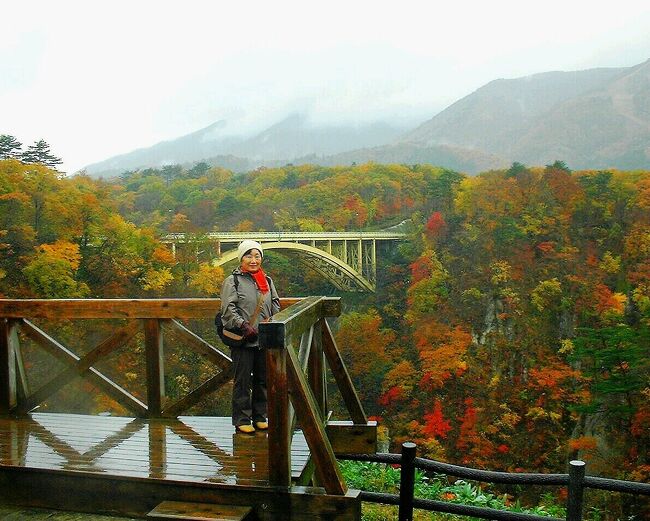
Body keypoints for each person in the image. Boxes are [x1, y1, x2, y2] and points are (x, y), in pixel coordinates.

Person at [220, 239, 280, 434]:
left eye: (257, 256)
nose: (253, 260)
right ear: (241, 258)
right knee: (243, 381)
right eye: (249, 255)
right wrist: (243, 325)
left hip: (263, 338)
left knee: (263, 379)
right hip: (243, 339)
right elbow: (228, 309)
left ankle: (260, 417)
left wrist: (272, 322)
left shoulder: (268, 281)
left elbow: (275, 303)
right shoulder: (233, 281)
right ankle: (242, 419)